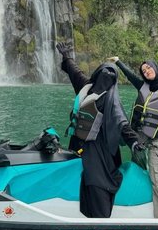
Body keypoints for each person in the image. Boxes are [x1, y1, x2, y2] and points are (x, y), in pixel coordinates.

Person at [56, 42, 144, 218]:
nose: (106, 78)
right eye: (104, 73)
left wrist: (134, 141)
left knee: (98, 180)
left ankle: (100, 217)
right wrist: (66, 56)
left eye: (111, 76)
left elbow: (122, 125)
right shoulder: (85, 87)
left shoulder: (112, 101)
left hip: (99, 146)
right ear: (97, 74)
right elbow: (74, 71)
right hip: (79, 141)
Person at [107, 56, 158, 219]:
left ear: (155, 67)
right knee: (137, 170)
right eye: (144, 70)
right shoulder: (142, 86)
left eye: (148, 68)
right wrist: (118, 61)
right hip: (138, 139)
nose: (147, 71)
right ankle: (140, 204)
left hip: (155, 140)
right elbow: (129, 75)